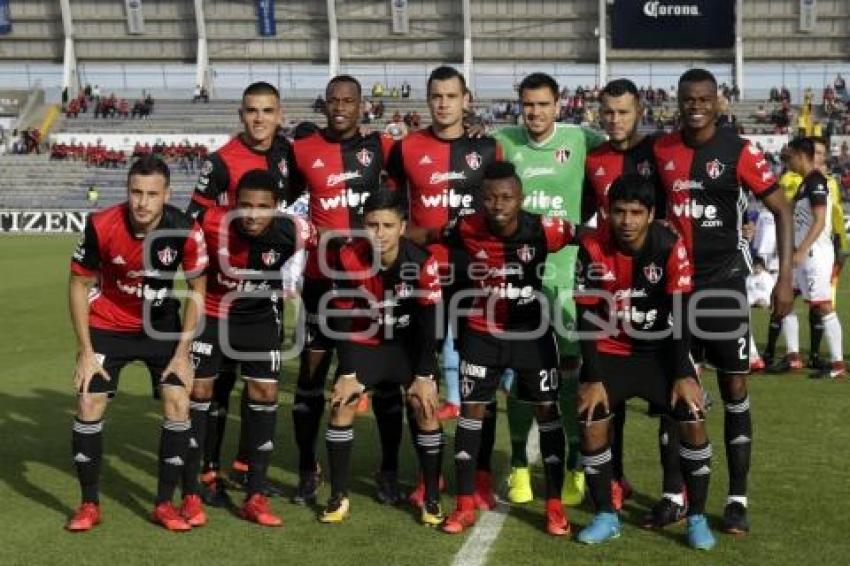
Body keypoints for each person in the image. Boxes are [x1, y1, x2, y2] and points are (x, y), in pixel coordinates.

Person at [653, 68, 794, 535]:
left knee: (735, 391)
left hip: (724, 287)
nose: (695, 105)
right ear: (678, 101)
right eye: (687, 98)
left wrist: (784, 278)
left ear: (717, 102)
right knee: (677, 388)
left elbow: (781, 208)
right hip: (676, 289)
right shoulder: (662, 149)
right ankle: (673, 494)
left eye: (703, 98)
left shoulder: (738, 150)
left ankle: (736, 498)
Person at [65, 156, 207, 532]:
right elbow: (79, 285)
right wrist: (84, 352)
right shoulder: (101, 225)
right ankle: (89, 503)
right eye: (136, 193)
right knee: (88, 398)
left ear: (167, 195)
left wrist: (183, 353)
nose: (142, 202)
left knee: (178, 399)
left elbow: (197, 290)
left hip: (161, 328)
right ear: (128, 191)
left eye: (151, 194)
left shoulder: (185, 229)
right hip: (108, 325)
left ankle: (164, 503)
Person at [573, 174, 715, 550]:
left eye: (636, 212)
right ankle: (606, 514)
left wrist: (685, 373)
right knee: (591, 420)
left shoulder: (669, 245)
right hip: (610, 350)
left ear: (651, 214)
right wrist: (592, 376)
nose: (626, 221)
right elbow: (586, 316)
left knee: (692, 415)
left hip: (659, 353)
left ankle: (696, 516)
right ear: (607, 212)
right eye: (619, 212)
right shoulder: (590, 247)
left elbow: (682, 315)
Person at [386, 66, 502, 509]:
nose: (443, 103)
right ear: (428, 99)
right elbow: (393, 207)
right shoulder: (407, 147)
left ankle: (481, 474)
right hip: (423, 280)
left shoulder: (488, 148)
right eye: (436, 96)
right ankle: (426, 475)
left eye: (451, 96)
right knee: (421, 376)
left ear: (466, 99)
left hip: (476, 277)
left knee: (480, 382)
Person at [441, 161, 574, 536]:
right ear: (481, 200)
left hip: (531, 336)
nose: (498, 205)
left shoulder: (546, 229)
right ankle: (465, 504)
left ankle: (554, 507)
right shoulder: (466, 226)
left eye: (506, 197)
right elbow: (426, 234)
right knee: (471, 414)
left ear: (521, 198)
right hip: (482, 335)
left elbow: (593, 237)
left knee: (548, 413)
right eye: (490, 198)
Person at [493, 72, 605, 508]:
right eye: (527, 104)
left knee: (574, 373)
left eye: (542, 104)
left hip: (568, 278)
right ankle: (520, 464)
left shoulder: (580, 139)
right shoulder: (504, 140)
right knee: (523, 376)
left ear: (559, 105)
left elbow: (621, 149)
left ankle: (577, 462)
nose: (535, 112)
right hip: (518, 279)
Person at [288, 75, 399, 507]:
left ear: (360, 106)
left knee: (387, 382)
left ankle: (388, 470)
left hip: (373, 284)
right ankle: (305, 468)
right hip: (321, 283)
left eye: (348, 101)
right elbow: (279, 194)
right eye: (332, 100)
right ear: (324, 105)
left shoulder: (384, 148)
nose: (339, 107)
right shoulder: (303, 150)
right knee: (311, 381)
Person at [185, 81, 297, 505]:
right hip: (221, 293)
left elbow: (292, 212)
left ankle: (248, 467)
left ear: (279, 113)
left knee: (258, 387)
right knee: (214, 386)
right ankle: (208, 470)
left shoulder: (287, 154)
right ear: (241, 114)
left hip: (263, 294)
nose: (259, 119)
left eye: (267, 111)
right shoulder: (220, 162)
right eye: (252, 110)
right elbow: (196, 219)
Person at [187, 169, 315, 527]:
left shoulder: (297, 231)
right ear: (232, 204)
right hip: (213, 313)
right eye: (245, 205)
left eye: (263, 207)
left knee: (263, 392)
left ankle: (255, 495)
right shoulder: (210, 222)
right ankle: (195, 486)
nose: (253, 214)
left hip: (259, 318)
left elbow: (331, 250)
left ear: (277, 208)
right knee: (201, 389)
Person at [318, 189, 444, 525]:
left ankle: (431, 498)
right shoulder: (347, 258)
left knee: (425, 406)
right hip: (367, 343)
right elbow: (341, 320)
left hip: (406, 346)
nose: (379, 233)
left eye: (388, 225)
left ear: (402, 227)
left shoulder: (422, 260)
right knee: (341, 403)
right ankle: (338, 496)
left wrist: (425, 375)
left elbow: (430, 322)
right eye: (372, 224)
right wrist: (346, 372)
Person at [583, 78, 671, 517]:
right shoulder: (594, 157)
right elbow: (585, 213)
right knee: (607, 399)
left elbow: (670, 210)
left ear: (640, 110)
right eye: (607, 112)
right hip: (610, 285)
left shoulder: (656, 152)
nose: (614, 120)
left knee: (670, 396)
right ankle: (614, 480)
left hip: (657, 283)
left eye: (622, 111)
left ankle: (674, 491)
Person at [766, 136, 848, 373]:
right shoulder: (805, 183)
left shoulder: (816, 182)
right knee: (786, 300)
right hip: (802, 255)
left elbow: (821, 221)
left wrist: (802, 249)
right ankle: (793, 357)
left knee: (823, 306)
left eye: (789, 156)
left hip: (815, 255)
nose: (787, 161)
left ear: (801, 156)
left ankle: (837, 364)